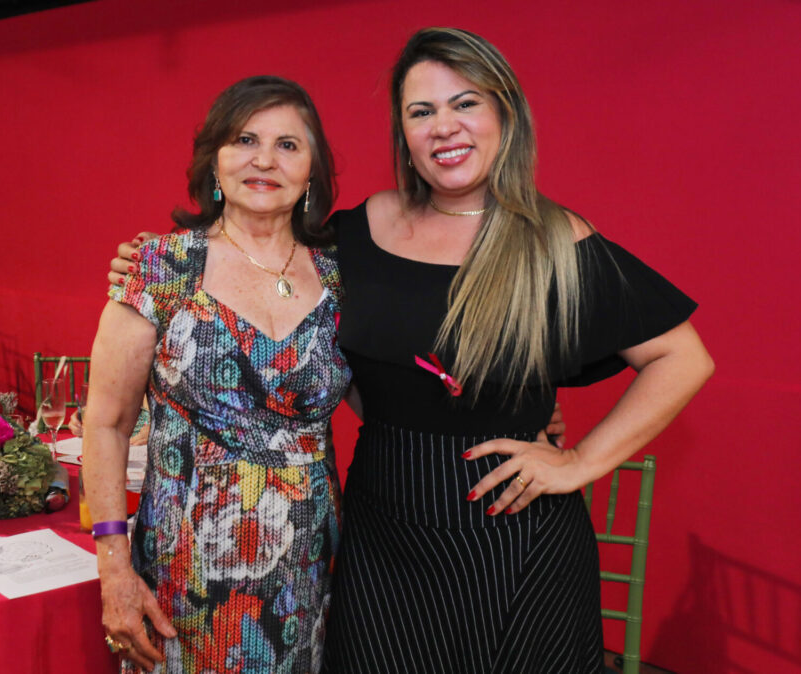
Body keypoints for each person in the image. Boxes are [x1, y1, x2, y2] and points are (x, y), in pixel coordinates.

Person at [109, 27, 710, 673]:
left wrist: (580, 461)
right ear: (404, 134)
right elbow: (268, 268)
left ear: (506, 116)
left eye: (465, 103)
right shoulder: (359, 234)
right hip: (382, 540)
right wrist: (151, 264)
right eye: (422, 112)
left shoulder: (554, 241)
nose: (444, 127)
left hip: (513, 540)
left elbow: (683, 358)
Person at [83, 76, 350, 673]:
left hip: (309, 573)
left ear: (312, 170)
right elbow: (106, 423)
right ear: (214, 161)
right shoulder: (160, 267)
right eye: (245, 140)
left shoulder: (341, 277)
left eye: (288, 145)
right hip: (184, 578)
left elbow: (391, 394)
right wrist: (114, 570)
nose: (264, 160)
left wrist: (522, 414)